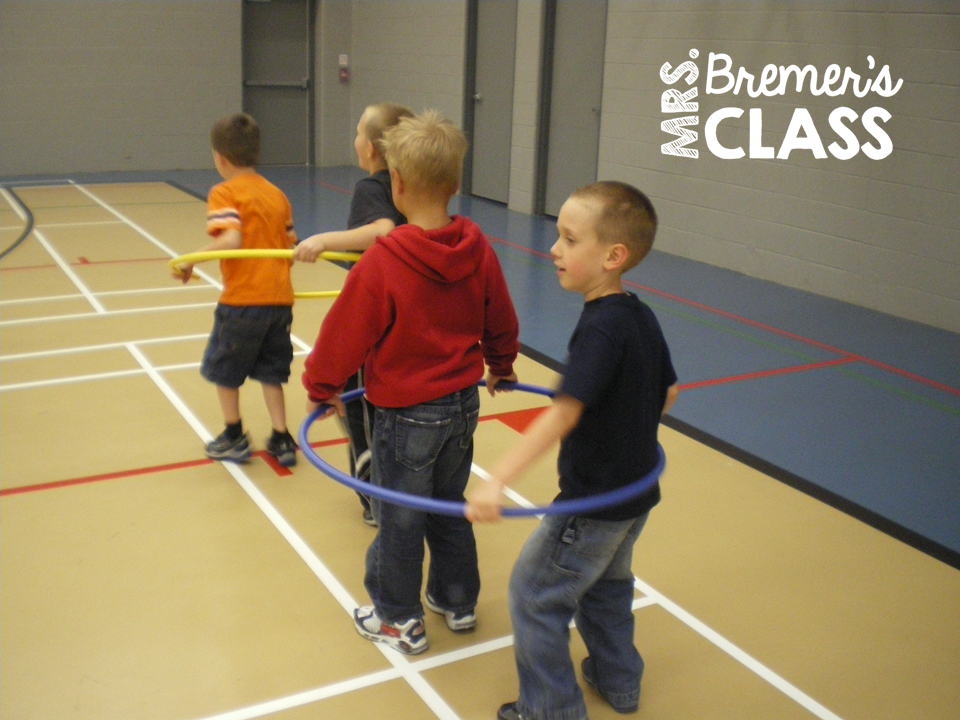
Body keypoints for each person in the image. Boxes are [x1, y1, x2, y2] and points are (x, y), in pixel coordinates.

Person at [302, 110, 520, 655]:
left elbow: (343, 336)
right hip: (463, 406)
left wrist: (321, 385)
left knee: (401, 517)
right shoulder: (477, 248)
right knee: (448, 503)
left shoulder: (384, 262)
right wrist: (502, 364)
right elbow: (502, 317)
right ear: (455, 183)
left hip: (405, 414)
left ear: (395, 184)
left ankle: (397, 617)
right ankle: (457, 599)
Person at [466, 181, 680, 720]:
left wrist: (495, 480)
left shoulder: (601, 330)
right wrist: (626, 426)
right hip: (634, 499)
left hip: (590, 505)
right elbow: (669, 393)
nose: (554, 249)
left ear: (613, 256)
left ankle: (550, 711)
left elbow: (563, 411)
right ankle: (619, 681)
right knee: (607, 588)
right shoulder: (639, 316)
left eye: (568, 238)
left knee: (535, 597)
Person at [295, 102, 413, 525]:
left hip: (375, 318)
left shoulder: (371, 188)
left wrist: (323, 240)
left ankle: (376, 501)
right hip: (408, 315)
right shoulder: (412, 189)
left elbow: (381, 231)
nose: (355, 138)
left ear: (372, 149)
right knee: (382, 410)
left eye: (359, 131)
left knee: (360, 412)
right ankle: (395, 487)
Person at [173, 113, 299, 467]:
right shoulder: (277, 195)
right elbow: (291, 246)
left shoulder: (224, 192)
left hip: (243, 302)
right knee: (272, 371)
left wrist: (190, 260)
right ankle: (282, 437)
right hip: (279, 302)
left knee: (225, 369)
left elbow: (231, 238)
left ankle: (233, 435)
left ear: (220, 158)